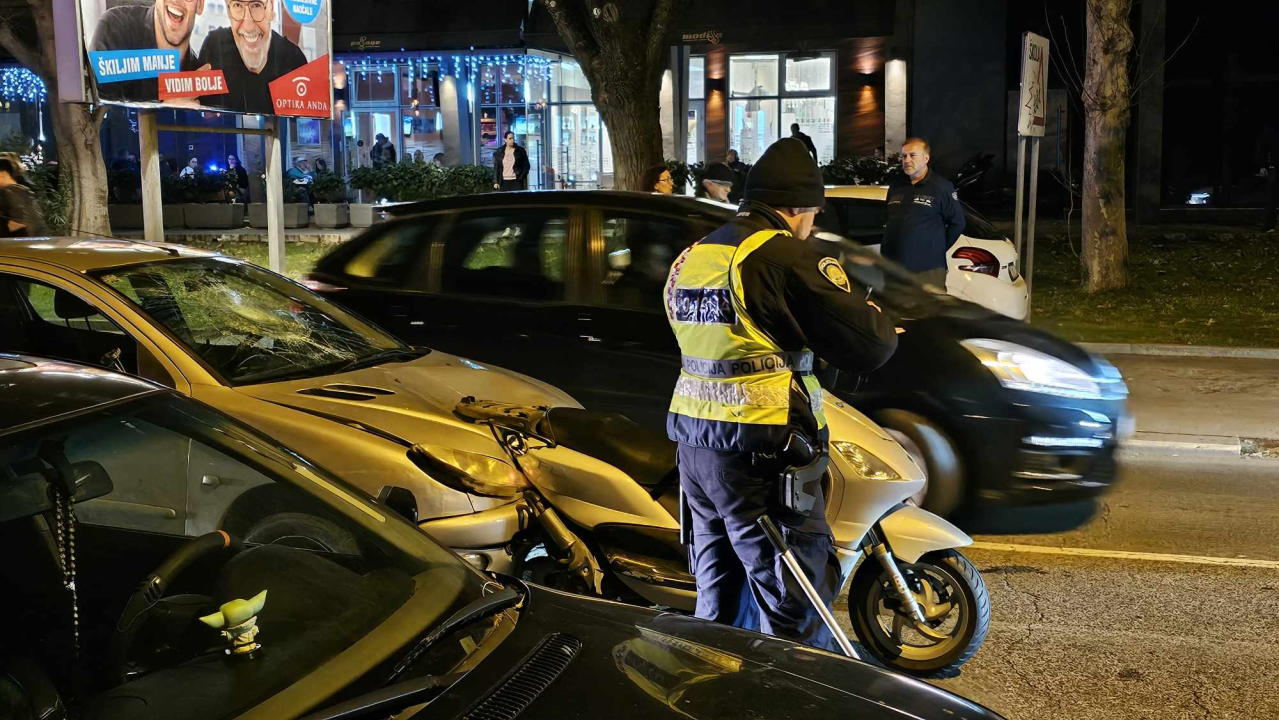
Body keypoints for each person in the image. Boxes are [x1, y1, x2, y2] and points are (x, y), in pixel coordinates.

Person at [664, 137, 898, 651]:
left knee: (721, 606)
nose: (811, 223)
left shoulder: (695, 257)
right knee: (799, 609)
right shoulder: (782, 257)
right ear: (795, 207)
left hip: (696, 451)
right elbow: (870, 344)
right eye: (811, 213)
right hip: (761, 456)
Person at [881, 137, 965, 287]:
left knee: (927, 310)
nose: (906, 160)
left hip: (927, 270)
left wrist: (934, 248)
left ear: (926, 158)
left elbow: (957, 223)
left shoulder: (941, 187)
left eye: (912, 155)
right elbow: (888, 220)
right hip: (895, 269)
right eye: (904, 156)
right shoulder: (896, 187)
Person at [197, 0, 307, 115]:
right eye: (238, 5)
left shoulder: (293, 59)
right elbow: (205, 119)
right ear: (229, 11)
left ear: (271, 8)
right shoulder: (214, 47)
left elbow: (304, 127)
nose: (248, 27)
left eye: (256, 5)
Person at [89, 0, 206, 103]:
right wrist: (165, 112)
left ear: (200, 5)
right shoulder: (115, 28)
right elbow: (96, 120)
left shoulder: (200, 76)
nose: (176, 1)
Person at [0, 156, 45, 237]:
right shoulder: (24, 189)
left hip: (19, 244)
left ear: (3, 174)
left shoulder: (7, 191)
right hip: (37, 241)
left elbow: (19, 222)